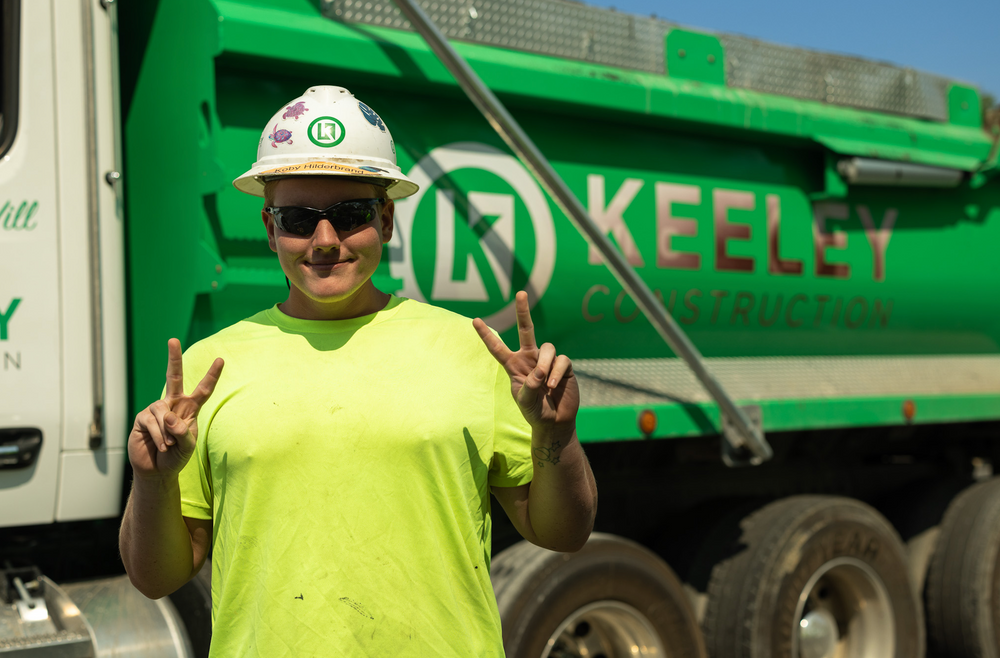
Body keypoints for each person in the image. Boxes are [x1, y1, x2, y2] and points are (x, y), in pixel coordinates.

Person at [118, 86, 597, 656]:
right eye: (298, 218)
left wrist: (555, 435)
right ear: (270, 229)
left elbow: (563, 534)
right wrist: (151, 481)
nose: (324, 241)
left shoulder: (471, 351)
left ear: (386, 219)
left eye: (349, 215)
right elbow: (156, 578)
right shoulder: (207, 371)